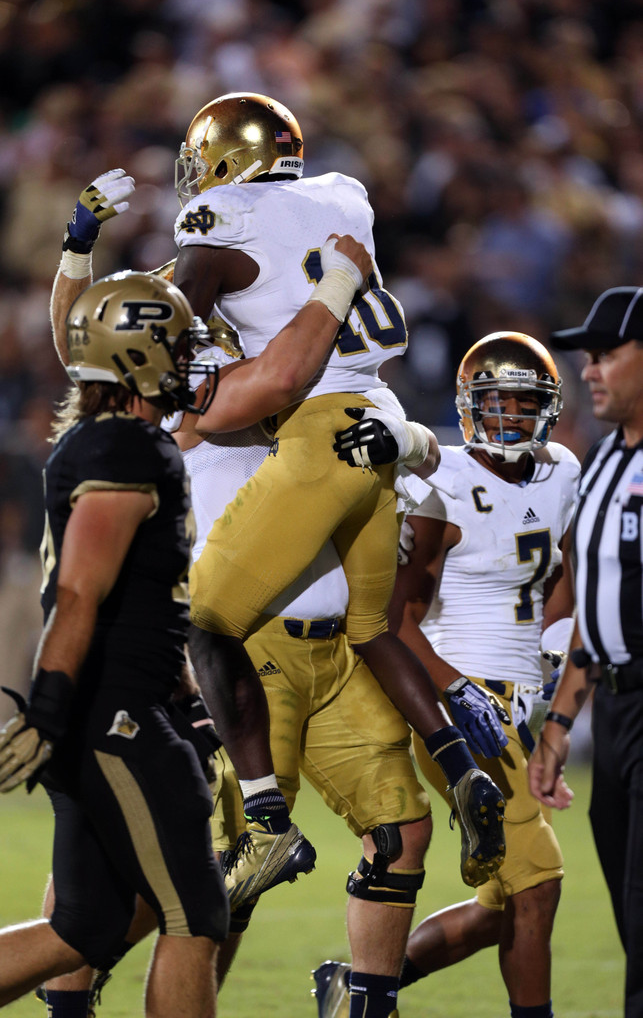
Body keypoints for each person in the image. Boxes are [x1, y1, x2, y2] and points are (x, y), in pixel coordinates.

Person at [45, 172, 433, 1018]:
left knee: (171, 882)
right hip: (176, 658)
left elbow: (300, 392)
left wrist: (404, 434)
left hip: (217, 650)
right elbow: (284, 377)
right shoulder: (195, 390)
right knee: (151, 886)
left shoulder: (180, 372)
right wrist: (333, 284)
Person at [170, 91, 508, 905]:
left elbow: (175, 319)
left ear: (224, 157)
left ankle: (265, 822)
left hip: (320, 438)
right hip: (380, 423)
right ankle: (461, 769)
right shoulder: (342, 191)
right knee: (375, 625)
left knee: (205, 621)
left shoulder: (215, 215)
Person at [0, 270, 229, 1018]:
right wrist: (49, 707)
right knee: (194, 913)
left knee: (85, 926)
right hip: (115, 715)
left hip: (115, 707)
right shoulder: (126, 448)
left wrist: (185, 699)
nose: (188, 360)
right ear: (138, 356)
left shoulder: (106, 439)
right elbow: (81, 591)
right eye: (176, 346)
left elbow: (139, 601)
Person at [316, 331, 579, 1018]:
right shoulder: (442, 483)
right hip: (456, 696)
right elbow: (392, 618)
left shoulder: (562, 472)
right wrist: (457, 691)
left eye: (525, 404)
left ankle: (358, 990)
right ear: (468, 407)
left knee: (502, 904)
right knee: (537, 883)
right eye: (496, 404)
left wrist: (550, 653)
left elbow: (562, 578)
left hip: (523, 697)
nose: (510, 419)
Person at [529, 287, 643, 1018]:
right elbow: (591, 609)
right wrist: (561, 719)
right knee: (632, 923)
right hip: (619, 711)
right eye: (587, 355)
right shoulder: (601, 462)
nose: (589, 368)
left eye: (606, 353)